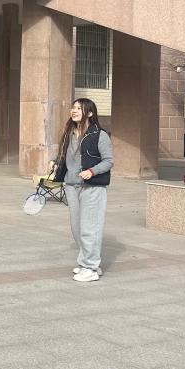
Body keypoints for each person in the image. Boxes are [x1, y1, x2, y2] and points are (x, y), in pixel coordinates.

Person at [49, 98, 114, 283]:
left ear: (90, 113)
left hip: (92, 187)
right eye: (73, 107)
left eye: (79, 108)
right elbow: (64, 155)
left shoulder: (99, 135)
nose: (74, 110)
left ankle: (90, 267)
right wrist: (55, 162)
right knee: (77, 228)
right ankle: (90, 262)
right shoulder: (69, 133)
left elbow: (109, 161)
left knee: (89, 228)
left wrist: (92, 171)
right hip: (71, 186)